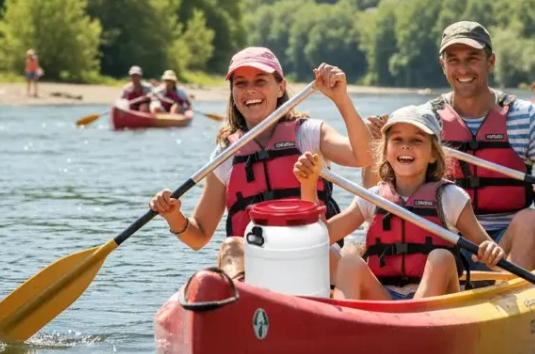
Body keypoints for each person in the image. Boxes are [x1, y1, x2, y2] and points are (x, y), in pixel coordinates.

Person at [364, 21, 535, 272]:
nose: (463, 69)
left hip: (506, 244)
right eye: (453, 60)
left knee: (534, 219)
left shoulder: (524, 115)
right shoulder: (424, 120)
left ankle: (512, 294)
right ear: (443, 66)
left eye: (473, 58)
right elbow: (376, 191)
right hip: (441, 237)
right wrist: (377, 146)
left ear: (491, 62)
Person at [148, 49, 372, 280]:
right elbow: (200, 236)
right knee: (231, 248)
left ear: (281, 87)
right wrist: (173, 215)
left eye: (260, 81)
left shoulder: (309, 134)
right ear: (233, 92)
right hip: (257, 260)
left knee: (331, 256)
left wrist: (341, 99)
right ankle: (245, 303)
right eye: (241, 83)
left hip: (312, 254)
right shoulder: (226, 153)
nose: (250, 90)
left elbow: (363, 157)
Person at [295, 106, 505, 301]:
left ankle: (416, 324)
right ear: (385, 151)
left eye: (416, 140)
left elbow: (487, 248)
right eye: (397, 139)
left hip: (435, 304)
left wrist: (490, 251)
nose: (406, 145)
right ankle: (344, 323)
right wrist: (309, 185)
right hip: (385, 301)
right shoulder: (372, 197)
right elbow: (321, 238)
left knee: (441, 257)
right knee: (349, 260)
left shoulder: (451, 197)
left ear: (433, 154)